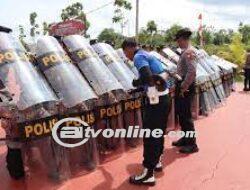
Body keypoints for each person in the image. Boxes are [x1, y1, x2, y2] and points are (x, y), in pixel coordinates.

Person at [122, 38, 170, 186]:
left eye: (125, 53)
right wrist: (138, 88)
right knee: (158, 133)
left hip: (155, 100)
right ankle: (156, 163)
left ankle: (148, 174)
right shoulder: (148, 54)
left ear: (129, 48)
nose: (127, 57)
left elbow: (148, 78)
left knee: (150, 136)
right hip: (164, 98)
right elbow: (159, 75)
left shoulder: (138, 57)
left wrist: (137, 82)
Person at [172, 28, 199, 154]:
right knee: (181, 114)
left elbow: (192, 72)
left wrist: (183, 86)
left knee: (186, 115)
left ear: (183, 39)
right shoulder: (185, 51)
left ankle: (192, 144)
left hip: (186, 87)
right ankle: (185, 138)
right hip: (182, 85)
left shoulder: (189, 52)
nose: (178, 43)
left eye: (178, 40)